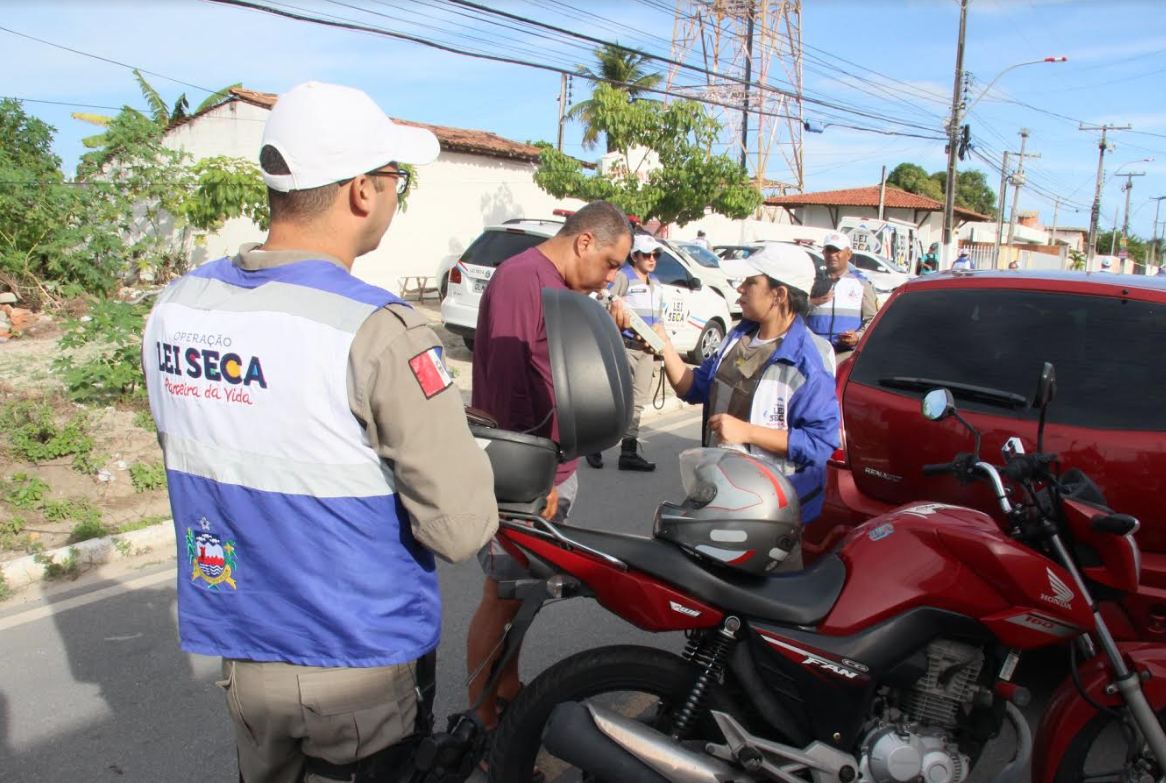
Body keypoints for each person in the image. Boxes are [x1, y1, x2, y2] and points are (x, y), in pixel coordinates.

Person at [142, 81, 499, 783]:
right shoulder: (380, 331)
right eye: (398, 179)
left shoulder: (178, 308)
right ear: (363, 191)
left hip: (245, 657)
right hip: (356, 669)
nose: (398, 195)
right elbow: (460, 530)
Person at [467, 201, 632, 731]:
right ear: (584, 241)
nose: (612, 276)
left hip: (551, 470)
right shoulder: (523, 279)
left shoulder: (563, 288)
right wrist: (535, 482)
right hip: (525, 476)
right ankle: (483, 723)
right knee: (503, 596)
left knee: (523, 599)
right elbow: (510, 389)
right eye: (610, 262)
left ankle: (508, 690)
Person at [653, 243, 840, 569]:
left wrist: (747, 432)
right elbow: (695, 388)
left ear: (779, 294)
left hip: (771, 516)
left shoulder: (809, 361)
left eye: (750, 282)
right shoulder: (737, 339)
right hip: (719, 499)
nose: (739, 289)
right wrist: (665, 348)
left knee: (761, 610)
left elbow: (821, 444)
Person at [587, 233, 665, 471]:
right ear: (635, 256)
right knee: (615, 400)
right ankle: (594, 446)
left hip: (647, 351)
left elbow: (659, 319)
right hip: (626, 347)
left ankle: (628, 452)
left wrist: (660, 347)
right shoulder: (624, 278)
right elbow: (602, 302)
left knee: (637, 403)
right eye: (647, 255)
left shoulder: (656, 284)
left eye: (656, 255)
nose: (652, 259)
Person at [806, 231, 878, 364]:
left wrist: (857, 337)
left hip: (844, 357)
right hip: (813, 355)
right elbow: (794, 313)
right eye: (829, 250)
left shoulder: (861, 283)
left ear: (849, 254)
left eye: (837, 251)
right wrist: (812, 302)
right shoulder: (810, 280)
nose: (832, 255)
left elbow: (872, 320)